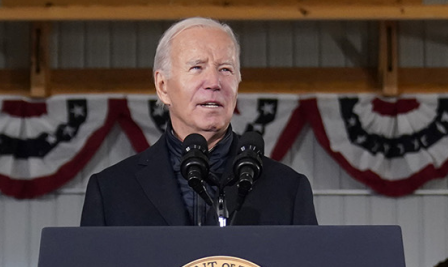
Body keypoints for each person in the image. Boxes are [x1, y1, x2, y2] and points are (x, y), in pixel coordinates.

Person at [80, 17, 317, 226]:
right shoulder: (111, 191)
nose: (214, 82)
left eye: (225, 69)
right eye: (197, 67)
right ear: (163, 86)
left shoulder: (288, 190)